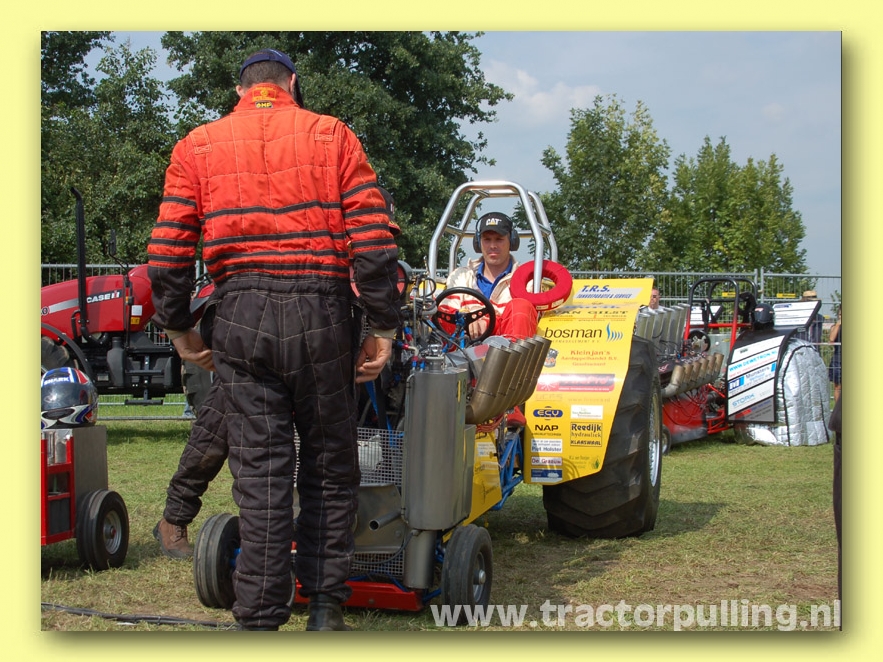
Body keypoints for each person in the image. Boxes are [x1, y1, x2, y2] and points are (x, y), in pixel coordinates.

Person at [147, 48, 401, 631]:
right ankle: (326, 610)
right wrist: (382, 325)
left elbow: (167, 250)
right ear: (292, 83)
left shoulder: (196, 145)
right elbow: (372, 240)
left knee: (260, 476)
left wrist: (179, 326)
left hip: (240, 313)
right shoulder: (333, 135)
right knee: (329, 469)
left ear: (241, 91)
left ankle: (259, 622)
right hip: (323, 314)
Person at [442, 211, 538, 341]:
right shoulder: (460, 276)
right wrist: (467, 319)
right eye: (487, 239)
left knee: (521, 307)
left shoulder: (527, 281)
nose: (493, 246)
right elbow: (447, 314)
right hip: (462, 346)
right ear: (478, 242)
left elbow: (524, 321)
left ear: (512, 241)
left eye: (499, 239)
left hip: (508, 348)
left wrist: (487, 321)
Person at [828, 304, 841, 402]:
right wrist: (838, 324)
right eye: (840, 314)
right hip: (838, 359)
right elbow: (831, 339)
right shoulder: (835, 326)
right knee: (838, 386)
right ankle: (838, 408)